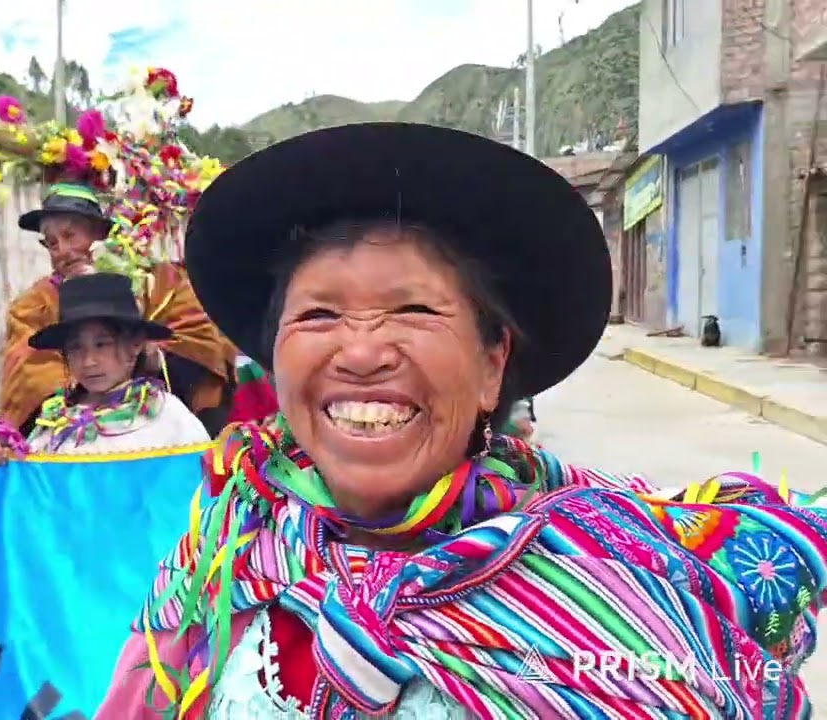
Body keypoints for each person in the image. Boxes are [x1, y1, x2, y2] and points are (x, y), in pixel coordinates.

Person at [94, 123, 827, 718]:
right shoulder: (226, 548)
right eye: (319, 314)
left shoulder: (613, 588)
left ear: (491, 365)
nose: (362, 350)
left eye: (413, 310)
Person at [0, 184, 234, 441]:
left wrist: (155, 358)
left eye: (71, 235)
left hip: (158, 424)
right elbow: (28, 374)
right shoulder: (33, 304)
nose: (62, 250)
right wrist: (90, 390)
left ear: (102, 234)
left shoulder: (161, 281)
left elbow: (202, 342)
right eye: (52, 243)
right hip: (77, 430)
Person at [0, 272, 209, 459]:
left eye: (102, 344)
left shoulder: (167, 417)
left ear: (135, 345)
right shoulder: (55, 424)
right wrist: (8, 461)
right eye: (75, 348)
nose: (89, 361)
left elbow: (201, 484)